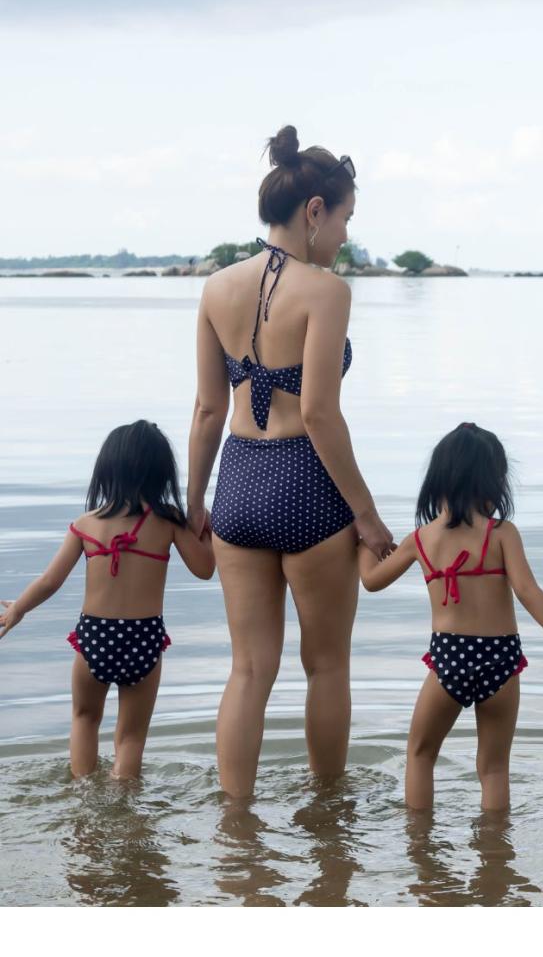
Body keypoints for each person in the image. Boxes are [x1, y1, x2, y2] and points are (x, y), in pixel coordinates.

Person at [187, 125, 395, 798]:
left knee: (248, 669)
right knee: (327, 664)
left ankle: (235, 822)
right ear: (314, 212)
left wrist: (196, 504)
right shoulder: (326, 292)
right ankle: (330, 817)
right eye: (344, 221)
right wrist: (366, 516)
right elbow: (319, 415)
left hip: (240, 485)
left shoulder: (216, 288)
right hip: (308, 485)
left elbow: (208, 413)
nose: (343, 239)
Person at [358, 423, 543, 810]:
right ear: (495, 481)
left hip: (451, 657)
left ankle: (421, 852)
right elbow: (529, 592)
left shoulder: (421, 539)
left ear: (438, 480)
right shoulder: (502, 534)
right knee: (494, 769)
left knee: (421, 756)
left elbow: (371, 581)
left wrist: (364, 540)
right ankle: (496, 857)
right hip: (501, 659)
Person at [0, 421, 215, 779]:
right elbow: (205, 569)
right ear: (161, 472)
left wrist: (18, 609)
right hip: (143, 638)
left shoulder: (85, 524)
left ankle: (84, 795)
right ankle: (126, 811)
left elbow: (50, 580)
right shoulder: (168, 522)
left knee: (85, 719)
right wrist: (206, 533)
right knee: (131, 738)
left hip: (95, 636)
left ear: (106, 470)